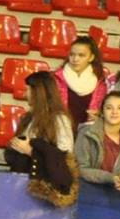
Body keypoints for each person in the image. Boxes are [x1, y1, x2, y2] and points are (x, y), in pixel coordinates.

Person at [7, 71, 79, 202]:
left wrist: (31, 152)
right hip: (23, 181)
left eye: (27, 90)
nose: (24, 94)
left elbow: (65, 157)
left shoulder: (59, 119)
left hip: (45, 188)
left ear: (38, 92)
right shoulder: (29, 118)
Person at [75, 90, 120, 191]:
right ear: (102, 111)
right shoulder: (86, 133)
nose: (114, 112)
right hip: (89, 189)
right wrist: (111, 178)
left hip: (118, 192)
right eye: (109, 108)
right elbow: (81, 168)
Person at [53, 36, 111, 128]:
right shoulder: (55, 79)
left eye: (81, 55)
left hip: (88, 132)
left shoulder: (101, 82)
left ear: (91, 57)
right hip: (60, 130)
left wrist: (99, 116)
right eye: (72, 54)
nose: (75, 59)